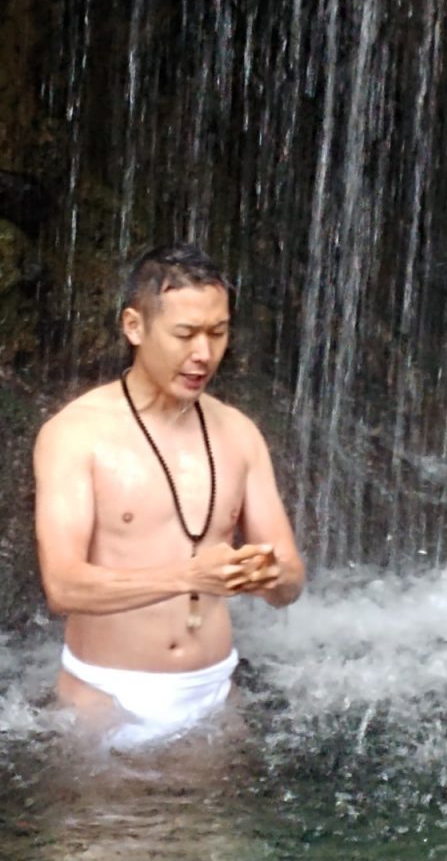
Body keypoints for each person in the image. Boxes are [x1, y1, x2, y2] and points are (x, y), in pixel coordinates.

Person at [34, 244, 305, 748]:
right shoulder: (75, 434)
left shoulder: (239, 433)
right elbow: (63, 586)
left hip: (213, 695)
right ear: (134, 327)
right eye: (184, 334)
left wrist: (271, 574)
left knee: (219, 829)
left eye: (218, 333)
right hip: (105, 697)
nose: (203, 354)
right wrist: (188, 576)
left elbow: (288, 584)